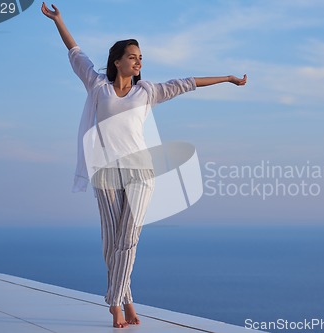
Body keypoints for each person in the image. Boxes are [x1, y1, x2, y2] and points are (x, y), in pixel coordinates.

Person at [41, 2, 247, 329]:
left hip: (140, 174)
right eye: (133, 56)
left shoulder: (148, 91)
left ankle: (113, 305)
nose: (139, 61)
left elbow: (188, 82)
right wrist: (58, 20)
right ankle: (127, 299)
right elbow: (75, 51)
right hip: (105, 175)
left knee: (130, 237)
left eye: (141, 57)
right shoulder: (97, 85)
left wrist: (227, 79)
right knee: (112, 240)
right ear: (117, 60)